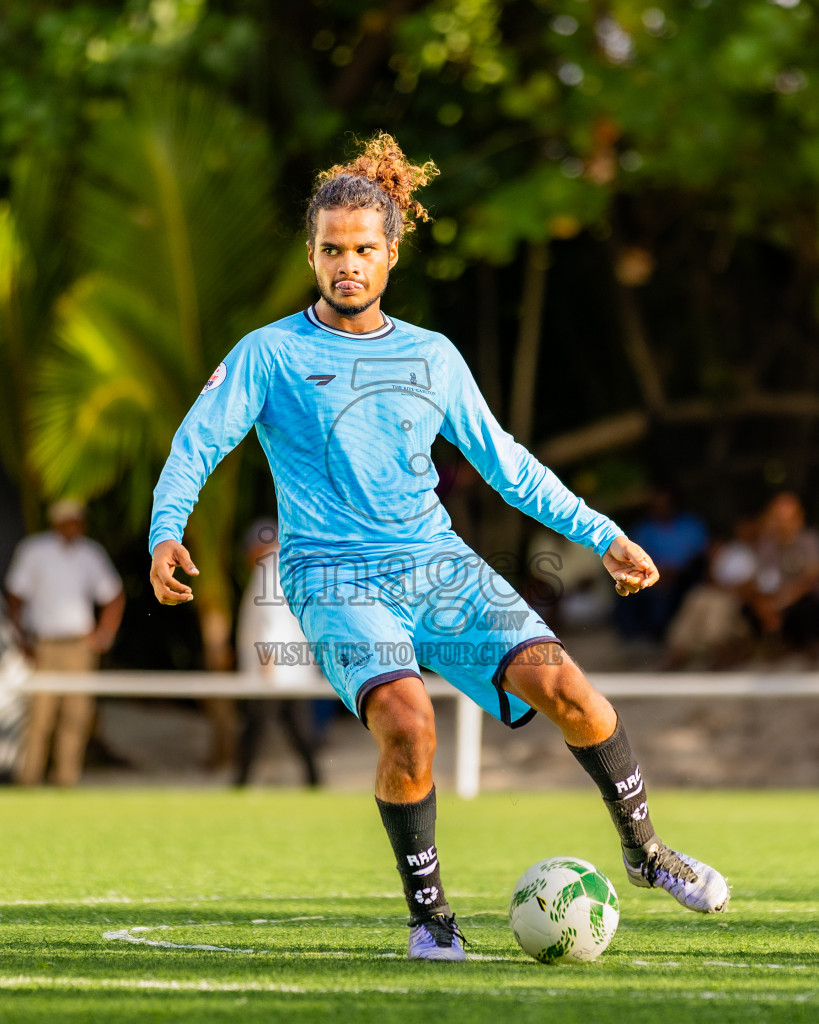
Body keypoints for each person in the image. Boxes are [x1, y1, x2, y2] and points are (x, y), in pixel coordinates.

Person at [148, 133, 729, 961]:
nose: (347, 264)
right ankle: (430, 918)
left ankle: (645, 854)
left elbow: (507, 466)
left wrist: (601, 534)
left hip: (437, 566)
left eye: (363, 250)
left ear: (390, 255)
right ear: (312, 255)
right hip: (332, 575)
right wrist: (166, 529)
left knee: (574, 695)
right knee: (408, 721)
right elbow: (196, 443)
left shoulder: (433, 355)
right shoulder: (269, 354)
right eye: (330, 250)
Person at [5, 499, 125, 786]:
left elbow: (113, 595)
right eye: (68, 519)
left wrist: (103, 634)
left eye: (78, 519)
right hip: (45, 644)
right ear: (56, 521)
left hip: (79, 647)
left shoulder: (90, 554)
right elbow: (15, 596)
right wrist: (20, 638)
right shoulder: (35, 551)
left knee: (76, 715)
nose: (74, 525)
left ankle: (66, 780)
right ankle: (29, 779)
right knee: (40, 716)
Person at [235, 519, 323, 787]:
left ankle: (240, 783)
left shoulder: (268, 569)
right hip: (292, 667)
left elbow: (270, 616)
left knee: (256, 728)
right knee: (297, 728)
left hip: (273, 669)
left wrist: (268, 664)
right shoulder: (290, 567)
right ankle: (315, 781)